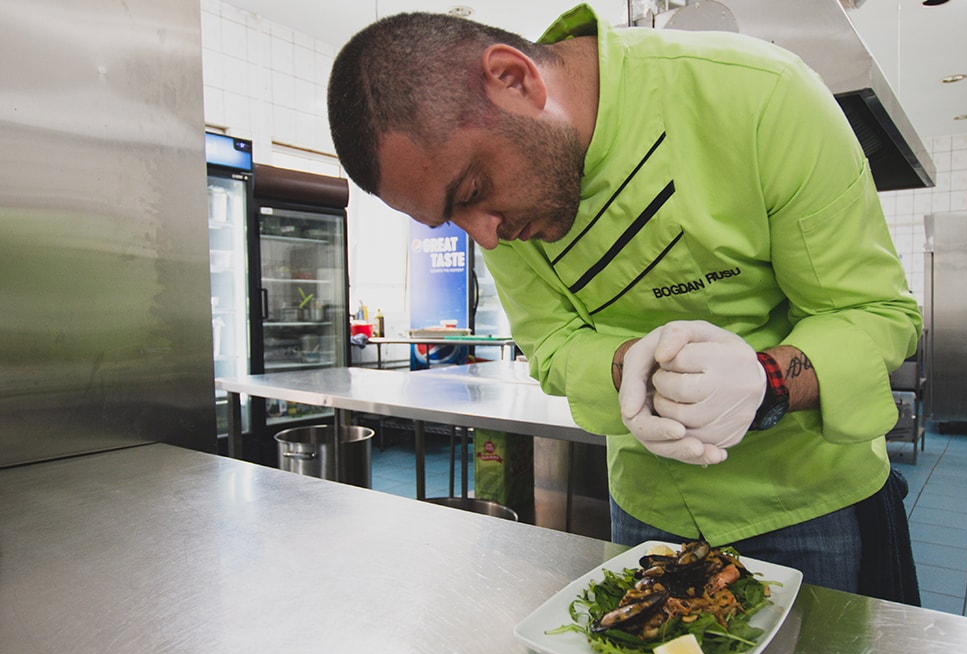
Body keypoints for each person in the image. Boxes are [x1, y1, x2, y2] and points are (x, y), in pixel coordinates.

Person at [327, 5, 921, 603]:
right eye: (451, 220)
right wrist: (628, 364)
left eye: (473, 190)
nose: (485, 235)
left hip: (812, 503)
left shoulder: (762, 96)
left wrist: (765, 380)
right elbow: (552, 345)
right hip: (649, 509)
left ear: (514, 78)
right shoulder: (500, 222)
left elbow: (876, 314)